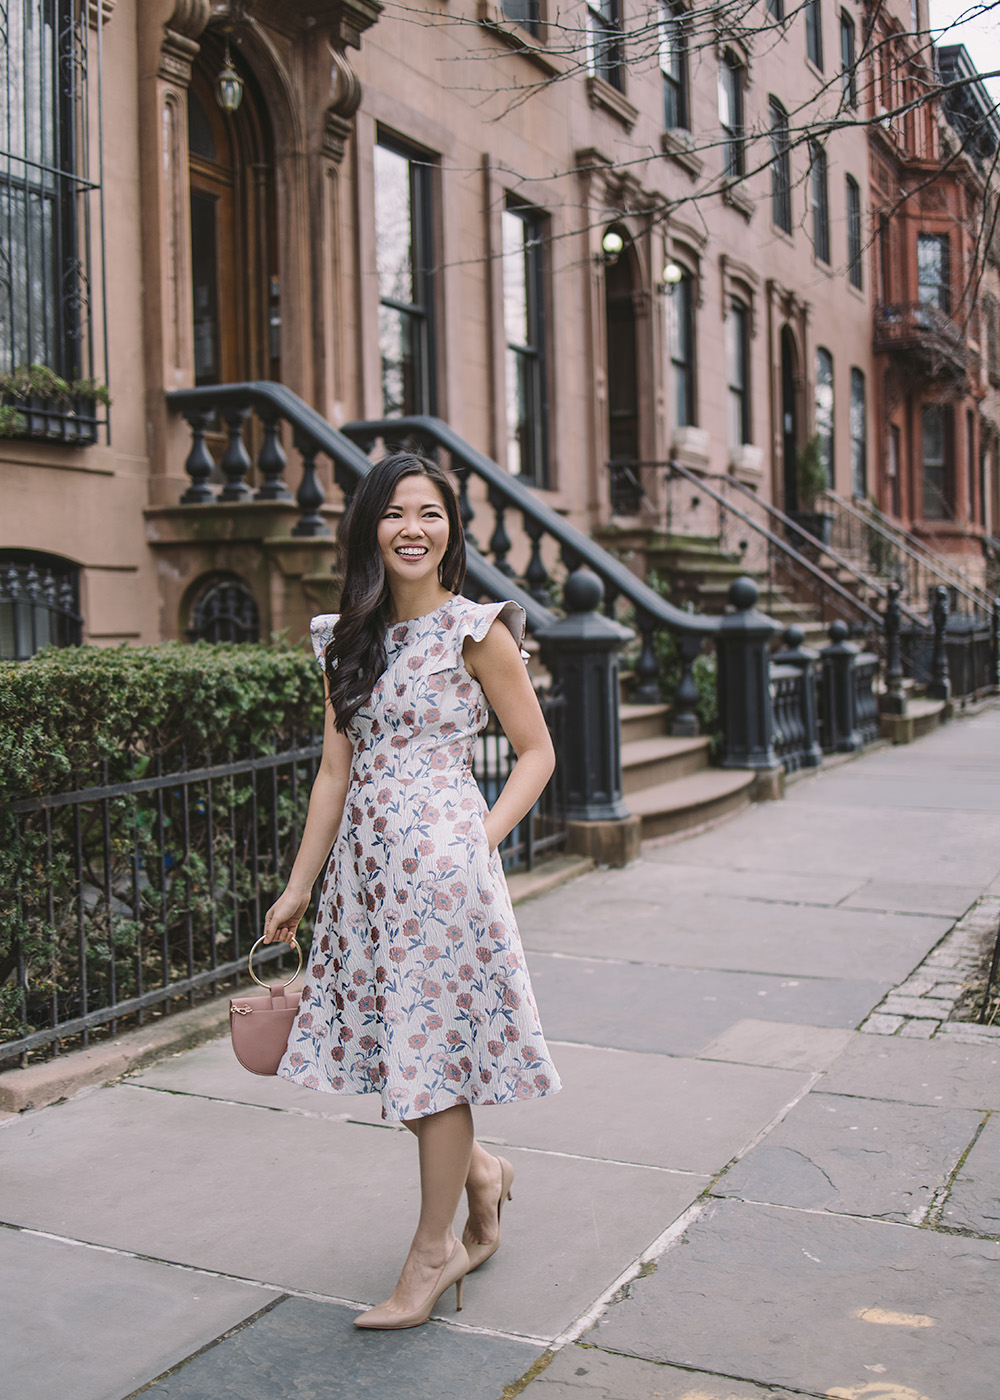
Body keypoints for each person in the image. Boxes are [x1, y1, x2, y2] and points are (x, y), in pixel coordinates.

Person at [262, 450, 562, 1330]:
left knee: (431, 1062)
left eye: (429, 513)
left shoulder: (477, 631)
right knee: (399, 1054)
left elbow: (536, 752)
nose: (413, 530)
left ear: (450, 530)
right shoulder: (346, 640)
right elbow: (332, 773)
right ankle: (482, 1175)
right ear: (370, 529)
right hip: (365, 886)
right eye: (395, 514)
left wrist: (476, 840)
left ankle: (433, 1255)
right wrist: (297, 890)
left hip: (444, 881)